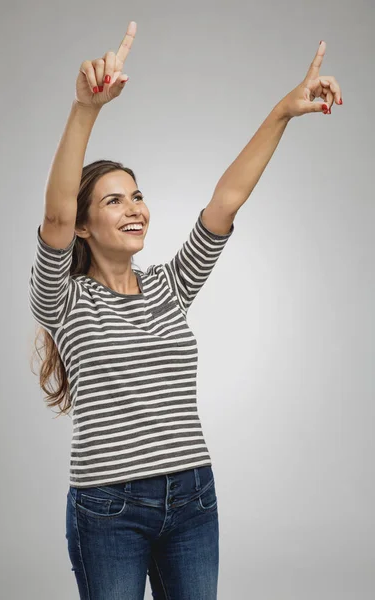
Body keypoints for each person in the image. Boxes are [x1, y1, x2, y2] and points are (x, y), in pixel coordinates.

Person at [28, 21, 342, 600]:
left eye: (138, 195)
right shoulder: (64, 299)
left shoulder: (170, 287)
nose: (135, 209)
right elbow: (51, 220)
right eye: (113, 200)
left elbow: (226, 201)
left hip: (194, 497)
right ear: (82, 226)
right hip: (109, 506)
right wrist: (85, 110)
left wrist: (283, 111)